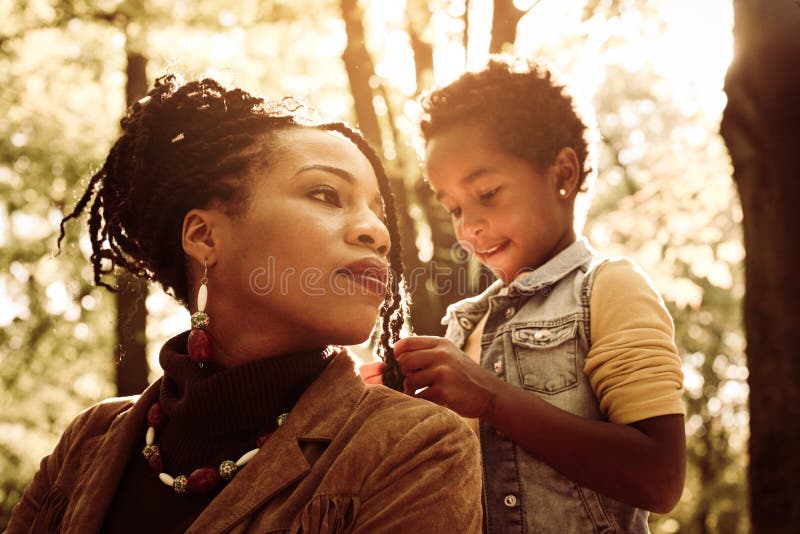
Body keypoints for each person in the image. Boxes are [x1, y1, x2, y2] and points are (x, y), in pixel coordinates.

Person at [7, 75, 482, 533]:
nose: (377, 234)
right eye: (325, 194)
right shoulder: (88, 441)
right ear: (203, 235)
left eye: (377, 212)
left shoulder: (413, 447)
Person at [369, 58, 686, 532]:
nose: (468, 227)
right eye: (453, 207)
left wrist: (492, 399)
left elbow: (661, 479)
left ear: (563, 173)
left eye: (488, 193)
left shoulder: (608, 287)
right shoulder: (467, 326)